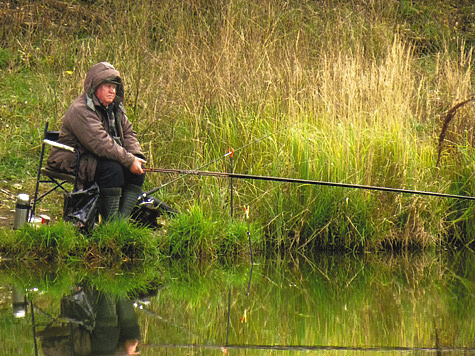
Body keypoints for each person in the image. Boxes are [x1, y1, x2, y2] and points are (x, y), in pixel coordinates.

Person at [47, 62, 146, 221]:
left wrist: (135, 155)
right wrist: (128, 160)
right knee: (113, 170)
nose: (112, 90)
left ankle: (121, 223)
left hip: (97, 157)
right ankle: (111, 225)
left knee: (137, 173)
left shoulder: (115, 108)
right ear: (95, 86)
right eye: (107, 85)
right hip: (74, 158)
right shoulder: (81, 109)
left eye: (114, 86)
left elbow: (128, 133)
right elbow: (100, 143)